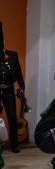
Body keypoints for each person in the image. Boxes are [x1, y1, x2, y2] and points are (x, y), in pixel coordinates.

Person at [0, 21, 24, 153]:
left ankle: (14, 144)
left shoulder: (13, 54)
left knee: (12, 116)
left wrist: (22, 87)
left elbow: (18, 71)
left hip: (9, 89)